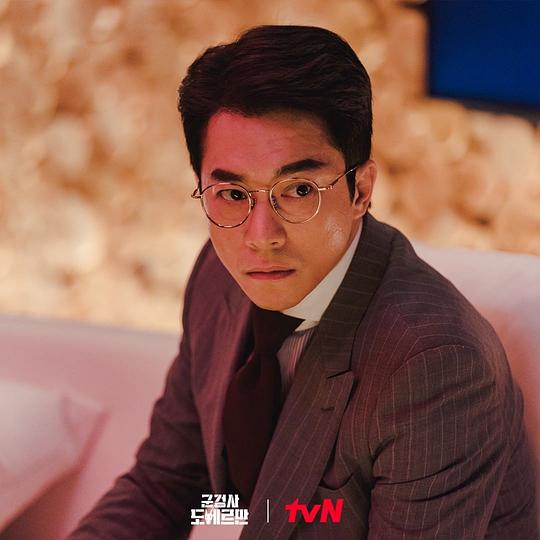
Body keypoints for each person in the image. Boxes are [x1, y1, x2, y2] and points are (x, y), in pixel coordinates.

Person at [69, 25, 537, 539]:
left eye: (297, 190)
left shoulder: (435, 368)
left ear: (361, 190)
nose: (260, 237)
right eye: (232, 195)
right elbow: (168, 487)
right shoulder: (218, 276)